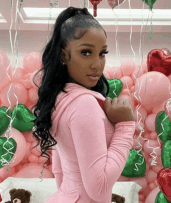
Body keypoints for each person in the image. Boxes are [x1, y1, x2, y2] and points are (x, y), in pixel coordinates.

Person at [31, 6, 135, 203]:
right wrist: (125, 126)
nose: (97, 64)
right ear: (64, 55)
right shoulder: (84, 103)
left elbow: (59, 169)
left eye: (102, 53)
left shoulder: (59, 98)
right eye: (86, 52)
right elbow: (100, 188)